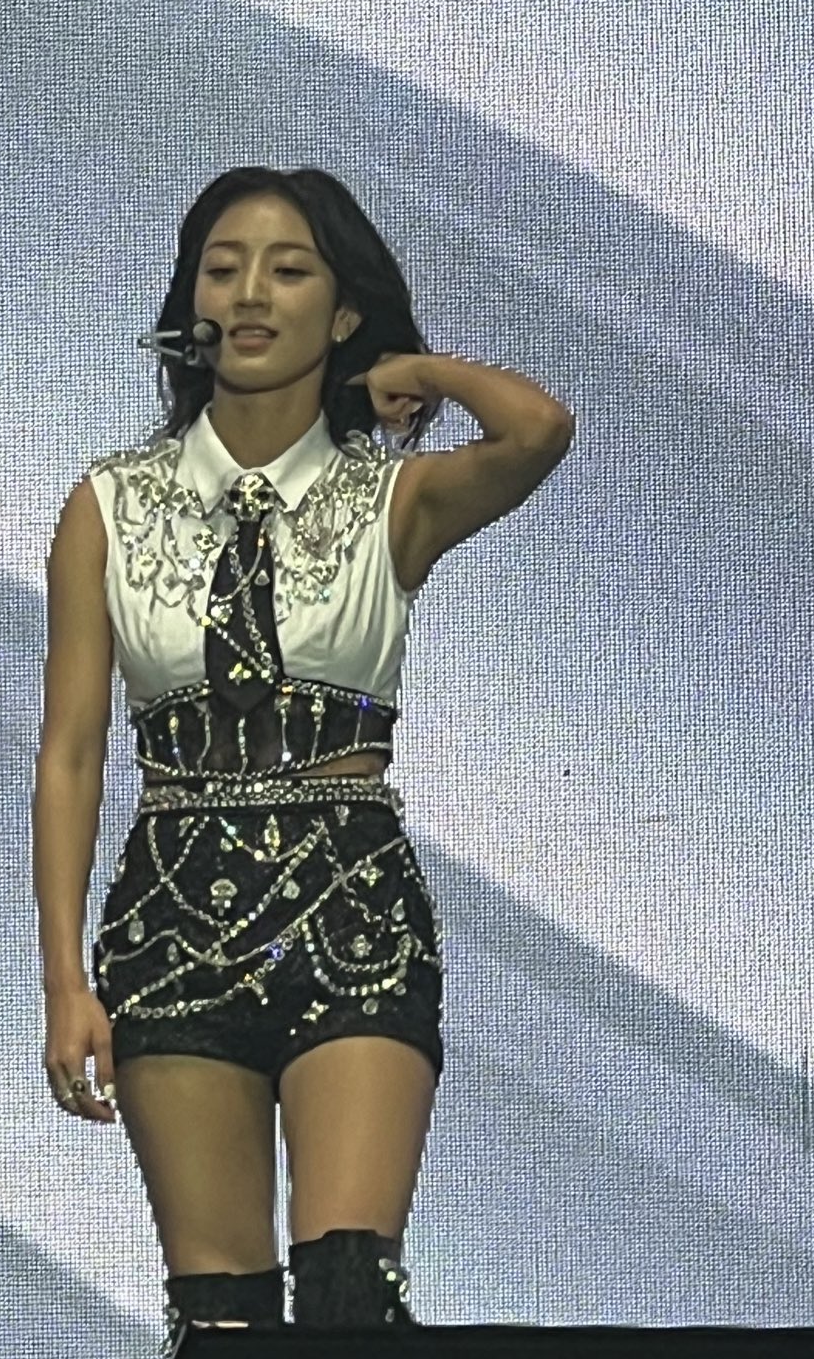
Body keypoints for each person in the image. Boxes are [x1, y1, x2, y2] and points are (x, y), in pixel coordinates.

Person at [31, 166, 574, 1350]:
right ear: (189, 298)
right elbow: (69, 752)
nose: (249, 294)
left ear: (340, 310)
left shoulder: (393, 498)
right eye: (222, 268)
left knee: (348, 1299)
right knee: (221, 1318)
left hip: (350, 906)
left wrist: (416, 371)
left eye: (287, 269)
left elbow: (538, 428)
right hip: (172, 920)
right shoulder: (110, 505)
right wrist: (66, 979)